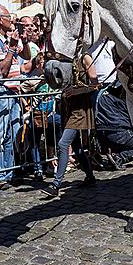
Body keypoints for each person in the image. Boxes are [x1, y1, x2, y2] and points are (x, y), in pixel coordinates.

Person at [0, 4, 31, 190]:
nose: (11, 19)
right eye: (7, 16)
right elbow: (1, 72)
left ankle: (9, 171)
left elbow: (27, 58)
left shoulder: (8, 39)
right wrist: (12, 49)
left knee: (13, 134)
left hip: (14, 92)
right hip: (1, 91)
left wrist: (25, 41)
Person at [41, 54, 97, 197]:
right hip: (68, 105)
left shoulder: (85, 58)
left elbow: (96, 85)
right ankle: (90, 177)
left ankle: (56, 184)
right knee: (77, 147)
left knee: (63, 143)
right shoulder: (67, 57)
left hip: (80, 107)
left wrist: (77, 91)